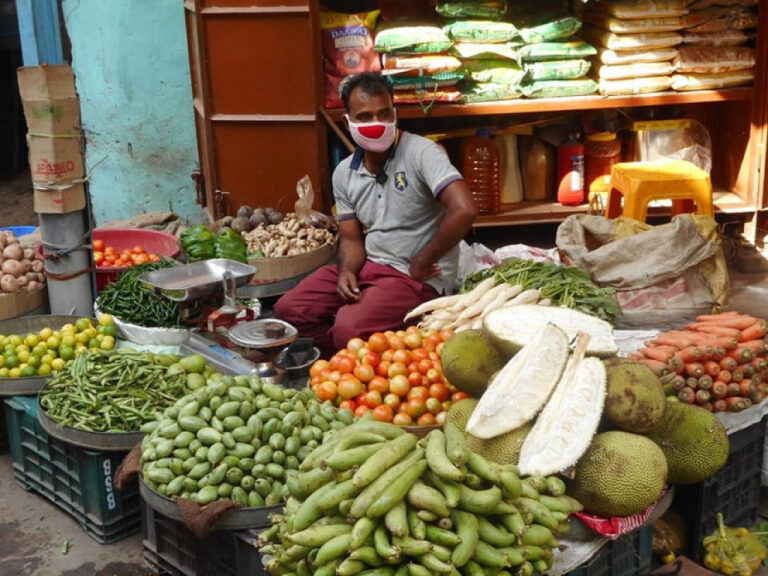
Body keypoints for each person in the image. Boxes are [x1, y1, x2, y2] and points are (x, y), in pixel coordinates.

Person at [274, 72, 477, 357]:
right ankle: (361, 354)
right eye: (365, 116)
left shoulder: (421, 153)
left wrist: (423, 260)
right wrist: (346, 271)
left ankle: (363, 350)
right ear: (349, 122)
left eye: (384, 114)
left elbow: (464, 209)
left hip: (415, 277)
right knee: (288, 310)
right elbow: (352, 240)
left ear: (395, 114)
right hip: (371, 267)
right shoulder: (344, 173)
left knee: (348, 328)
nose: (376, 124)